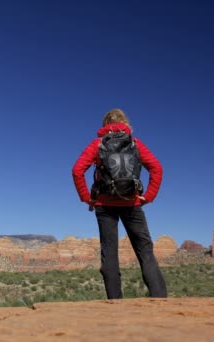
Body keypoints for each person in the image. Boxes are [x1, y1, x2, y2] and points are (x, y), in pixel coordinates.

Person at [72, 108, 167, 299]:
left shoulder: (98, 144)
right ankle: (159, 298)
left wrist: (86, 198)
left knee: (109, 252)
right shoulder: (135, 143)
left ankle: (115, 302)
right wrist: (148, 196)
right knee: (145, 251)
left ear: (104, 124)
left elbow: (77, 170)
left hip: (104, 204)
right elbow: (156, 167)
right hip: (132, 203)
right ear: (125, 123)